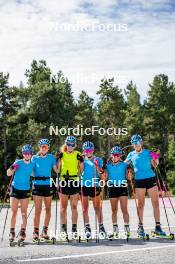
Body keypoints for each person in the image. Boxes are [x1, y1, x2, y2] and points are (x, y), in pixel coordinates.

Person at [125, 134, 166, 237]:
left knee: (155, 203)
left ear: (141, 143)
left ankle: (157, 227)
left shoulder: (148, 152)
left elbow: (155, 164)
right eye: (134, 143)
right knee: (140, 204)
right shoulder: (131, 154)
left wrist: (156, 156)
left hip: (150, 179)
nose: (136, 145)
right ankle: (140, 227)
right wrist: (127, 169)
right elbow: (124, 165)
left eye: (138, 143)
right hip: (139, 181)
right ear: (132, 144)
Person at [31, 138, 58, 241]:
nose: (44, 148)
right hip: (37, 184)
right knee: (37, 209)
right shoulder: (34, 158)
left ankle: (44, 231)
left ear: (48, 148)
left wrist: (59, 160)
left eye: (46, 146)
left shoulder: (51, 157)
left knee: (48, 209)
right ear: (39, 147)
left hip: (48, 184)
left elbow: (56, 170)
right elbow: (31, 170)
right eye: (42, 146)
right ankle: (36, 231)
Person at [58, 135, 83, 239]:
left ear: (75, 145)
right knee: (63, 208)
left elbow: (81, 171)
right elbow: (58, 170)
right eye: (68, 144)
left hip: (74, 181)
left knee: (74, 207)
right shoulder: (62, 154)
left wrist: (81, 161)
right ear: (66, 144)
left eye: (72, 144)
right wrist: (58, 159)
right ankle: (63, 229)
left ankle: (74, 229)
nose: (70, 146)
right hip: (64, 181)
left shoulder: (78, 154)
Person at [7, 144, 34, 243]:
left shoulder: (32, 164)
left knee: (23, 212)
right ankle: (12, 232)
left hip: (25, 189)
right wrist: (12, 167)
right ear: (23, 154)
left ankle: (23, 232)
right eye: (25, 153)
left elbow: (35, 174)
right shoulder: (18, 162)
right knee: (14, 212)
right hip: (15, 188)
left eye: (29, 153)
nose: (27, 155)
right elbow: (8, 173)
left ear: (31, 154)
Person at [81, 141, 106, 239]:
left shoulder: (98, 159)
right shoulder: (81, 159)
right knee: (84, 208)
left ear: (93, 150)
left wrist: (98, 166)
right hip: (84, 185)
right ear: (84, 151)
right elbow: (80, 171)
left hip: (94, 185)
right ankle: (87, 227)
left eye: (90, 150)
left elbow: (101, 174)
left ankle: (101, 226)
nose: (88, 152)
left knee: (97, 207)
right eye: (86, 150)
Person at [106, 146, 130, 238]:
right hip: (112, 188)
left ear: (120, 156)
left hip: (122, 187)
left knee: (124, 209)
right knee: (114, 210)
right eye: (114, 154)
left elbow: (129, 178)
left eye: (118, 155)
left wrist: (129, 171)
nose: (116, 156)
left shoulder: (124, 164)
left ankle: (127, 228)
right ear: (111, 155)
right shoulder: (108, 165)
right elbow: (105, 178)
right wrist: (102, 171)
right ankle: (115, 229)